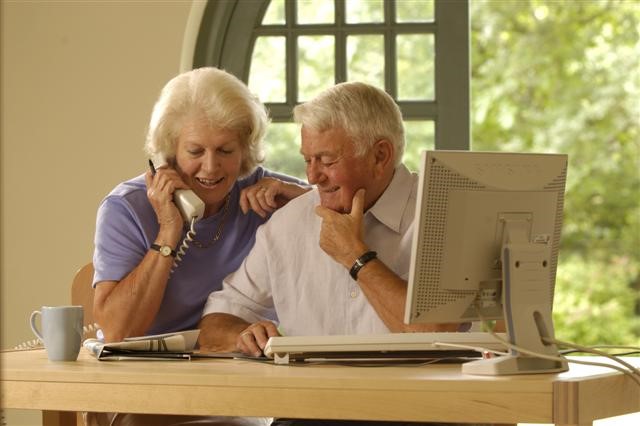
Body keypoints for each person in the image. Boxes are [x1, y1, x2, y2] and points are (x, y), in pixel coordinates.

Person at [88, 67, 307, 426]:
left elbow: (348, 218)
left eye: (226, 150)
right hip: (151, 391)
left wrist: (300, 201)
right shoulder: (126, 208)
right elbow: (118, 333)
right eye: (195, 151)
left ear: (246, 150)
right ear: (168, 154)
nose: (211, 166)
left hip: (244, 383)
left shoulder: (265, 194)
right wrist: (169, 230)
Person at [198, 81, 458, 374]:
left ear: (380, 156)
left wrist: (356, 257)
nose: (311, 176)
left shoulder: (444, 214)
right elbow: (216, 322)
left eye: (326, 160)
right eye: (308, 160)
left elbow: (435, 334)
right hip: (306, 410)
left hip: (418, 411)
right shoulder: (287, 225)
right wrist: (242, 335)